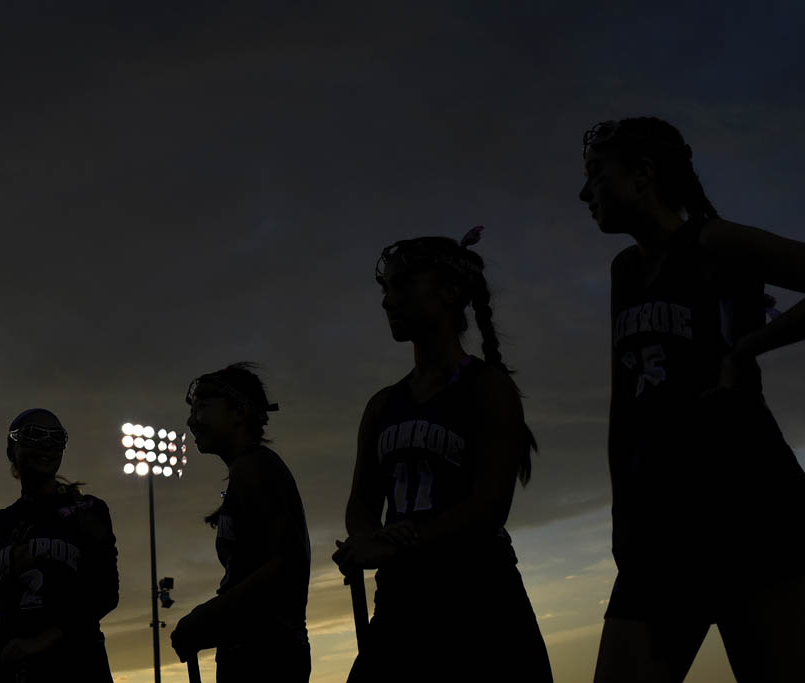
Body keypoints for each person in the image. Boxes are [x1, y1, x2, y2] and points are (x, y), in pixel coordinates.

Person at [581, 116, 805, 682]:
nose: (585, 192)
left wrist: (753, 343)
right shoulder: (626, 269)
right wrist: (620, 509)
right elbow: (623, 402)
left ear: (643, 175)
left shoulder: (713, 240)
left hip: (748, 496)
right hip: (658, 510)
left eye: (595, 175)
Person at [334, 229, 553, 682]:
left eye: (400, 286)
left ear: (450, 293)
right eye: (384, 289)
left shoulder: (488, 388)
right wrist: (366, 538)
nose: (386, 302)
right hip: (402, 604)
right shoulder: (382, 405)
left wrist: (402, 540)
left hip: (480, 603)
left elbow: (489, 507)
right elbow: (360, 504)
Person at [171, 363, 311, 683]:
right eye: (192, 409)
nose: (192, 420)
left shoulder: (255, 467)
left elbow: (287, 563)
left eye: (203, 406)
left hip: (267, 654)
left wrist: (207, 617)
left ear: (239, 412)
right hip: (254, 649)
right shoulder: (245, 470)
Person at [0, 408, 118, 683]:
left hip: (78, 664)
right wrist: (10, 577)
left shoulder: (87, 510)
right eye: (34, 435)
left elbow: (105, 594)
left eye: (56, 438)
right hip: (11, 666)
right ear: (12, 450)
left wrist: (43, 640)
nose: (46, 445)